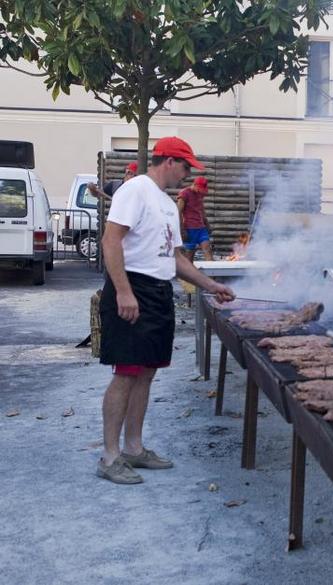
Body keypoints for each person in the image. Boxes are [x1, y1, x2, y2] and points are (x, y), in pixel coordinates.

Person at [97, 137, 235, 485]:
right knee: (126, 372)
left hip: (158, 293)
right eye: (186, 167)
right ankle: (109, 456)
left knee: (146, 373)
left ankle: (134, 448)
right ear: (170, 160)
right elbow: (110, 241)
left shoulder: (168, 204)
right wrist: (125, 293)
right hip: (133, 288)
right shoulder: (136, 190)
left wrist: (210, 285)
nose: (189, 175)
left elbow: (174, 260)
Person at [177, 176, 213, 262]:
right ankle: (187, 275)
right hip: (189, 229)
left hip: (201, 228)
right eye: (200, 189)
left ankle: (212, 275)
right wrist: (182, 231)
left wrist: (207, 224)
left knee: (208, 250)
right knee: (189, 257)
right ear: (194, 185)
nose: (201, 192)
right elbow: (178, 212)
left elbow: (202, 210)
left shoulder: (200, 194)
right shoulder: (184, 194)